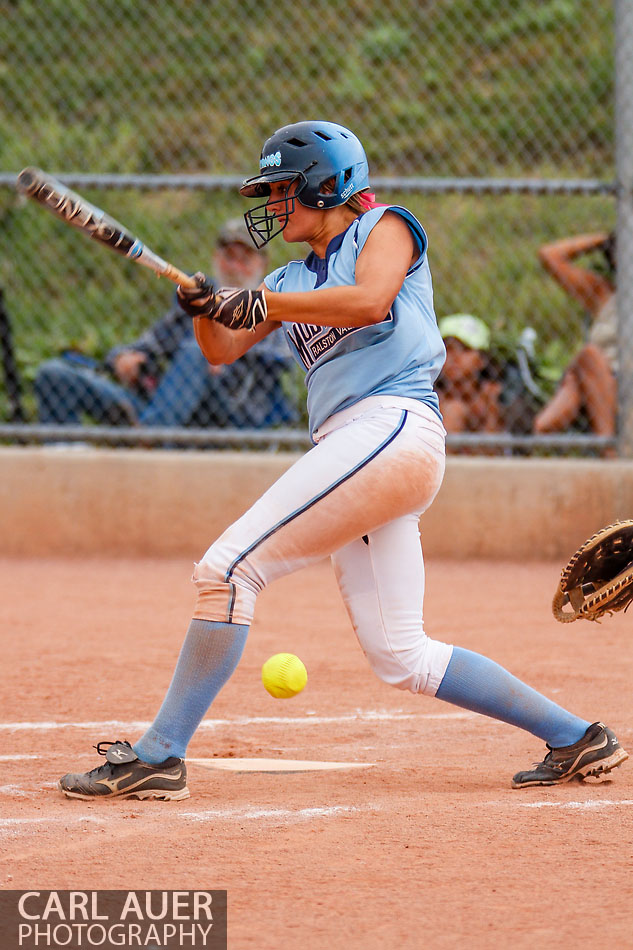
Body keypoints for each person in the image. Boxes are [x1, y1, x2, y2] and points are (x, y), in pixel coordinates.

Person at [58, 120, 628, 801]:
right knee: (401, 655)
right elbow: (220, 351)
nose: (271, 205)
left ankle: (158, 755)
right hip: (358, 451)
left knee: (229, 569)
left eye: (282, 191)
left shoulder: (383, 227)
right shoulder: (289, 277)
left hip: (391, 425)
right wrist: (202, 308)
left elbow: (368, 301)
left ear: (326, 185)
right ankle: (577, 738)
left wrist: (261, 300)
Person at [34, 218, 297, 429]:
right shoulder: (196, 299)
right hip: (163, 412)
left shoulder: (269, 303)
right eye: (229, 256)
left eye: (245, 259)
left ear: (262, 264)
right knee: (54, 376)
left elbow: (282, 357)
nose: (236, 266)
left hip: (229, 418)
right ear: (216, 258)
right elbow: (151, 343)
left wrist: (226, 353)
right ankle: (71, 465)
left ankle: (150, 438)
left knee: (200, 351)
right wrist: (125, 358)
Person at [532, 231, 617, 437]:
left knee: (577, 373)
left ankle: (537, 434)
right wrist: (605, 238)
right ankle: (609, 447)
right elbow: (549, 255)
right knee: (589, 357)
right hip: (605, 380)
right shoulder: (603, 292)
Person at [436, 314, 503, 434]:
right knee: (455, 410)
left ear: (482, 360)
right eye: (448, 349)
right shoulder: (427, 394)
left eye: (465, 349)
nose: (454, 358)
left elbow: (493, 449)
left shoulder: (490, 395)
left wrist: (492, 408)